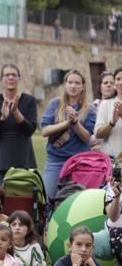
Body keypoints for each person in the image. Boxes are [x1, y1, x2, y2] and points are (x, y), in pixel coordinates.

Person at [40, 70, 96, 201]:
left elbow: (86, 138)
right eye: (70, 82)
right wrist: (67, 123)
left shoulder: (90, 109)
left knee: (76, 202)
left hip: (79, 162)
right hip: (55, 160)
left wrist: (76, 122)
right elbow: (45, 131)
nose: (73, 86)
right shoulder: (55, 104)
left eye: (77, 83)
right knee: (47, 199)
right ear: (65, 85)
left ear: (83, 86)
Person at [0, 63, 38, 186]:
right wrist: (2, 118)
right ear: (1, 79)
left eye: (14, 75)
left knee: (21, 200)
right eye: (7, 75)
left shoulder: (29, 100)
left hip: (22, 158)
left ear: (19, 78)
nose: (10, 78)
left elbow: (29, 131)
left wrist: (16, 112)